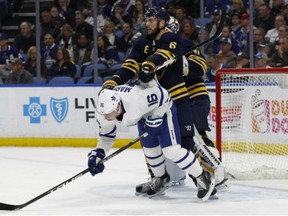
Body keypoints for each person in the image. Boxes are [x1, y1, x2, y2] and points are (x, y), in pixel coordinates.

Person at [101, 7, 199, 188]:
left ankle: (203, 178)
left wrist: (149, 65)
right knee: (150, 143)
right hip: (152, 103)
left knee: (185, 143)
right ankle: (158, 177)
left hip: (177, 98)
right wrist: (114, 81)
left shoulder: (172, 39)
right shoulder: (140, 42)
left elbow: (165, 54)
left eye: (151, 20)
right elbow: (129, 66)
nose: (147, 23)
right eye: (146, 20)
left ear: (162, 23)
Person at [88, 79, 215, 201]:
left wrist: (157, 116)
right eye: (104, 114)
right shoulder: (104, 112)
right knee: (150, 149)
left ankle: (203, 177)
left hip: (163, 110)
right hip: (144, 116)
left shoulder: (137, 101)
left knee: (171, 150)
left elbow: (163, 95)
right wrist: (99, 153)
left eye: (109, 113)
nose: (106, 117)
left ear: (117, 106)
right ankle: (160, 178)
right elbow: (106, 136)